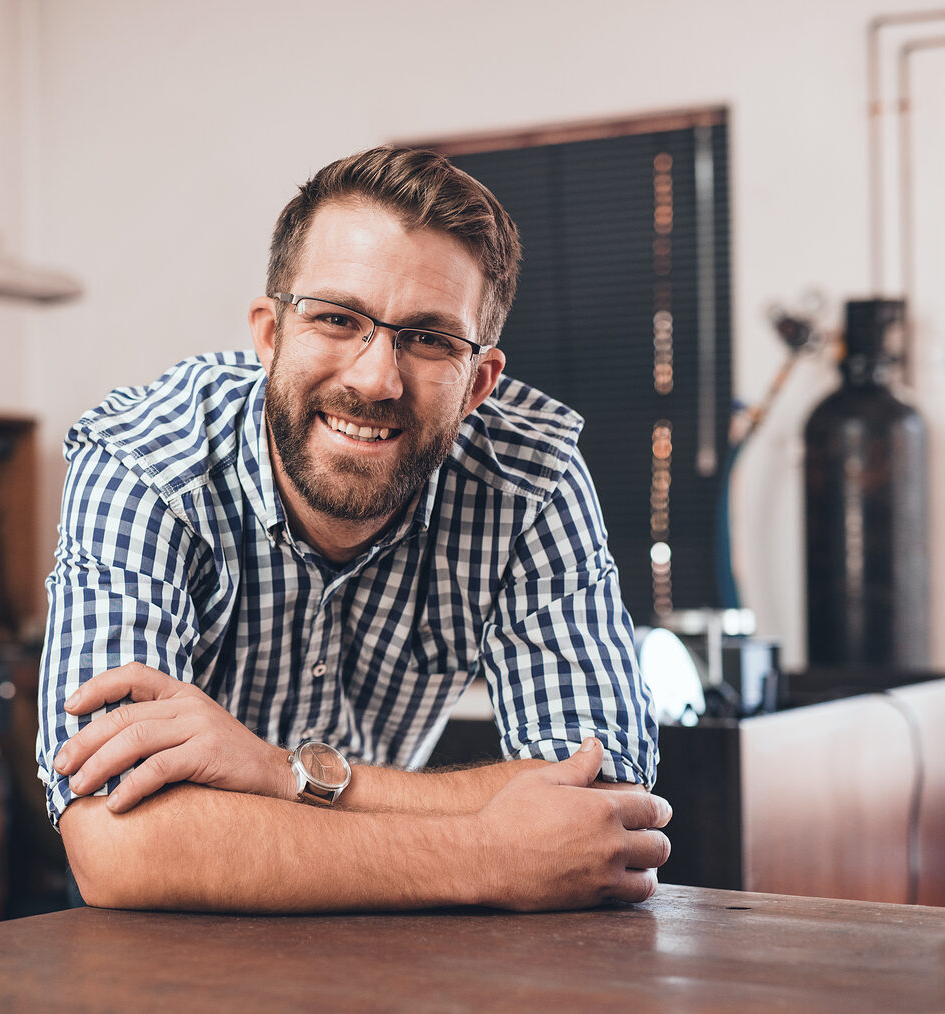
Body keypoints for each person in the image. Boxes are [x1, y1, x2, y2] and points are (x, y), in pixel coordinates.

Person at [36, 146, 670, 913]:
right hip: (167, 949)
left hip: (395, 939)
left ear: (479, 382)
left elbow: (604, 804)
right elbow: (119, 847)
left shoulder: (530, 480)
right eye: (337, 319)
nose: (375, 379)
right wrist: (489, 852)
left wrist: (277, 772)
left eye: (431, 338)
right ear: (269, 335)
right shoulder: (145, 464)